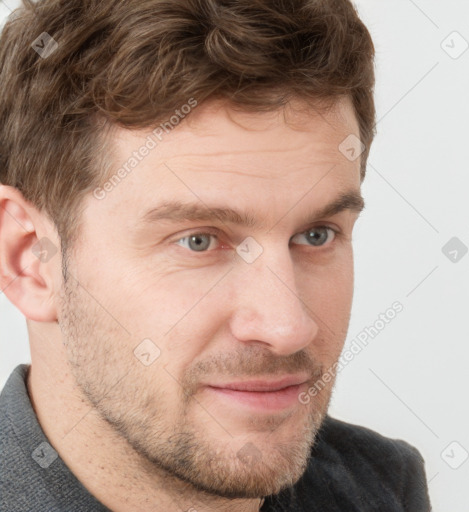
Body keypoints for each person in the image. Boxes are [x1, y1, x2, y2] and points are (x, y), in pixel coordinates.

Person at [0, 0, 431, 510]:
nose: (287, 326)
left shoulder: (377, 487)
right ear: (29, 259)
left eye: (316, 235)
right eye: (199, 241)